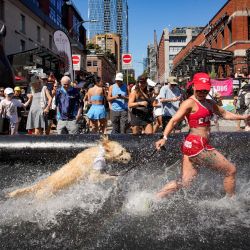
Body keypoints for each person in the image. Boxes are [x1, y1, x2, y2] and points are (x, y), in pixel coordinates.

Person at [155, 72, 250, 199]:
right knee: (230, 170)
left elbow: (225, 114)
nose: (202, 93)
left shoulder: (210, 103)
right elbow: (173, 120)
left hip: (191, 145)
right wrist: (164, 137)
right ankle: (231, 203)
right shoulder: (189, 103)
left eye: (205, 90)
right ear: (193, 86)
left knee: (185, 182)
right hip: (197, 146)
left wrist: (243, 117)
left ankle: (154, 197)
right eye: (199, 90)